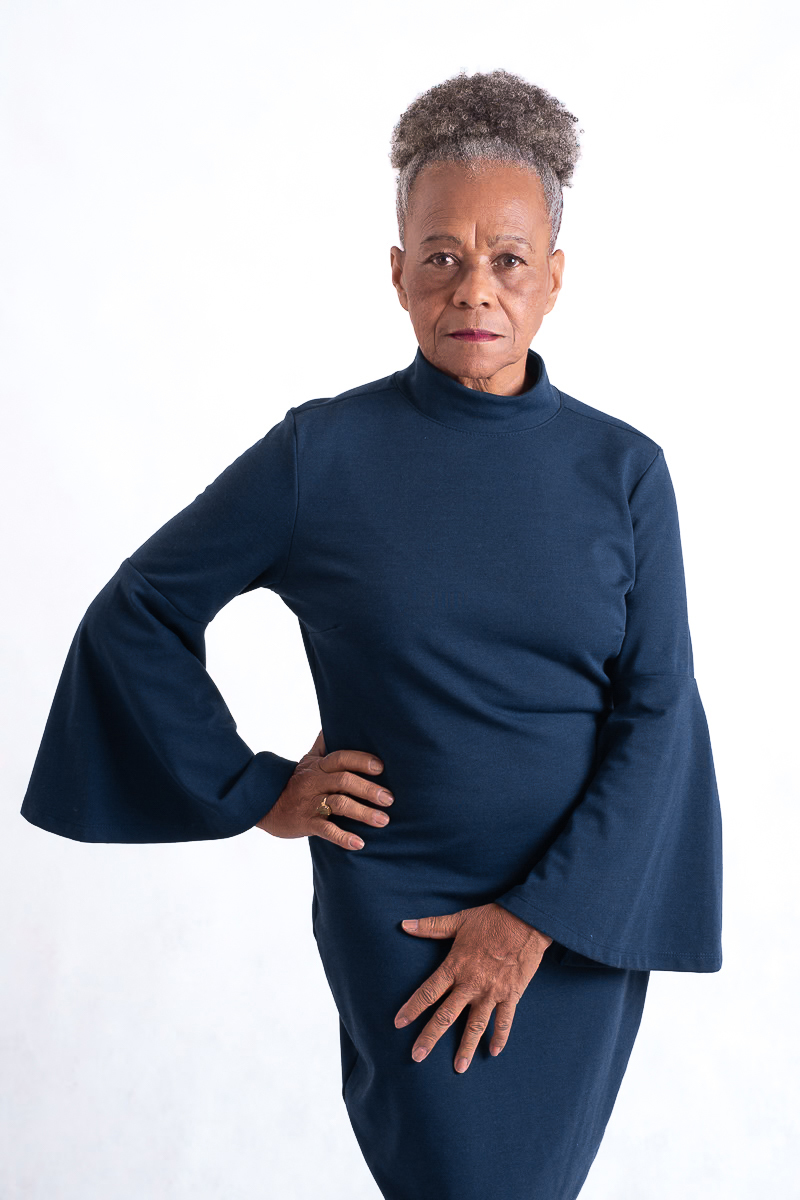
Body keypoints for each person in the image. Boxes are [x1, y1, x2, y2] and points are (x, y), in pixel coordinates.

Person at [21, 68, 723, 1200]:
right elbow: (138, 612)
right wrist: (254, 788)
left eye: (507, 258)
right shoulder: (322, 455)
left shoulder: (625, 471)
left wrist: (534, 922)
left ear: (553, 277)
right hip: (405, 905)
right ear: (397, 273)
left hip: (574, 918)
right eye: (441, 255)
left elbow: (659, 711)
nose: (473, 288)